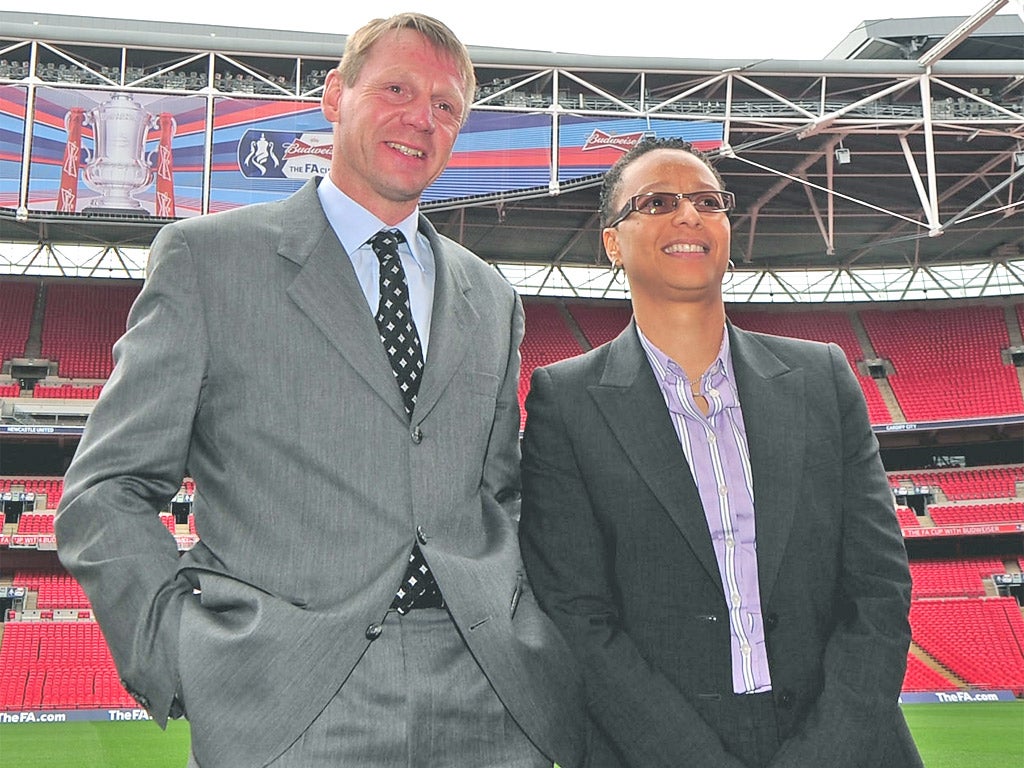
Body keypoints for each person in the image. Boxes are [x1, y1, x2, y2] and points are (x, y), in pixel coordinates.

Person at [55, 13, 584, 768]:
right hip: (288, 696)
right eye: (397, 88)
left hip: (489, 693)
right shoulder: (209, 260)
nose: (421, 119)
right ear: (336, 95)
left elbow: (500, 495)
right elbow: (106, 489)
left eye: (446, 106)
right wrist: (180, 653)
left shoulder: (492, 296)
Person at [519, 137, 923, 768]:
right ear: (612, 242)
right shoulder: (563, 401)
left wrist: (826, 753)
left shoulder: (822, 377)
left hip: (845, 747)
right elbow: (575, 615)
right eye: (657, 202)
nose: (689, 215)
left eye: (708, 200)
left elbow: (878, 587)